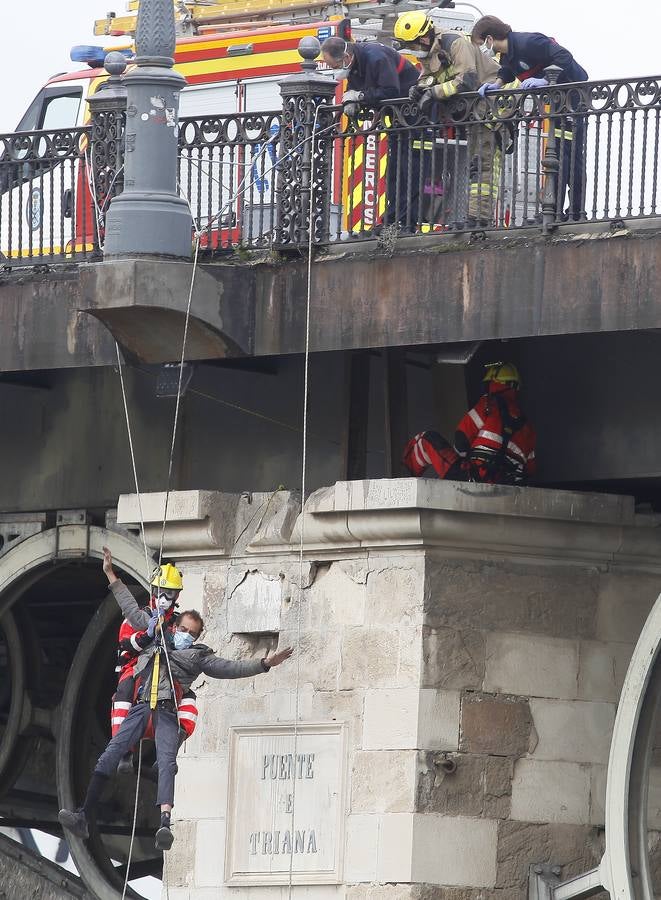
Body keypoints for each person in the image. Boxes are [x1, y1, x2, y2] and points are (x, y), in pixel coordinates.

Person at [58, 547, 293, 852]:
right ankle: (83, 816)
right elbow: (131, 610)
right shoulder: (158, 632)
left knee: (168, 762)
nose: (184, 634)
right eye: (182, 628)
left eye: (190, 633)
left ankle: (164, 823)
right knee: (110, 753)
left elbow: (229, 668)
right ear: (176, 625)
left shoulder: (197, 657)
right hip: (143, 705)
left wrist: (263, 665)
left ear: (195, 638)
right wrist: (111, 575)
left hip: (166, 711)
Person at [393, 11, 518, 227]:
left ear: (423, 38)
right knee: (476, 164)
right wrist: (419, 88)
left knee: (484, 163)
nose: (413, 51)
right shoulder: (432, 50)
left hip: (496, 102)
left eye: (413, 46)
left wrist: (434, 93)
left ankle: (480, 220)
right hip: (478, 108)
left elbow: (466, 81)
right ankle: (475, 217)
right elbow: (430, 76)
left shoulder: (455, 43)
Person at [472, 16, 588, 221]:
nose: (482, 49)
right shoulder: (508, 54)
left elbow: (564, 56)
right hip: (556, 103)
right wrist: (496, 84)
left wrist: (543, 80)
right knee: (557, 157)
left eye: (481, 44)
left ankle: (576, 212)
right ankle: (553, 211)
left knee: (570, 159)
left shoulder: (529, 42)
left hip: (573, 99)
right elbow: (508, 70)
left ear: (490, 38)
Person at [320, 36, 421, 231]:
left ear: (346, 57)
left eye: (335, 65)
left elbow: (391, 91)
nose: (336, 70)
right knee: (394, 171)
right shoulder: (356, 61)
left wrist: (361, 96)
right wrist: (351, 99)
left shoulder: (376, 57)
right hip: (398, 119)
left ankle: (407, 221)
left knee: (410, 169)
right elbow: (357, 85)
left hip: (414, 116)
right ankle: (392, 220)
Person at [111, 563, 198, 775]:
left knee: (189, 699)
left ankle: (170, 750)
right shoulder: (138, 617)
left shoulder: (177, 623)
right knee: (124, 692)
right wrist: (149, 633)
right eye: (161, 592)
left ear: (176, 596)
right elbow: (127, 644)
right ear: (153, 591)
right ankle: (124, 751)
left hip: (166, 670)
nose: (165, 598)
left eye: (169, 594)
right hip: (138, 667)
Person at [403, 362, 536, 485]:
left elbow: (462, 437)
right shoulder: (527, 427)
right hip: (507, 487)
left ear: (493, 382)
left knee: (426, 439)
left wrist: (458, 466)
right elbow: (529, 470)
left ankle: (401, 482)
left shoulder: (488, 404)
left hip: (473, 479)